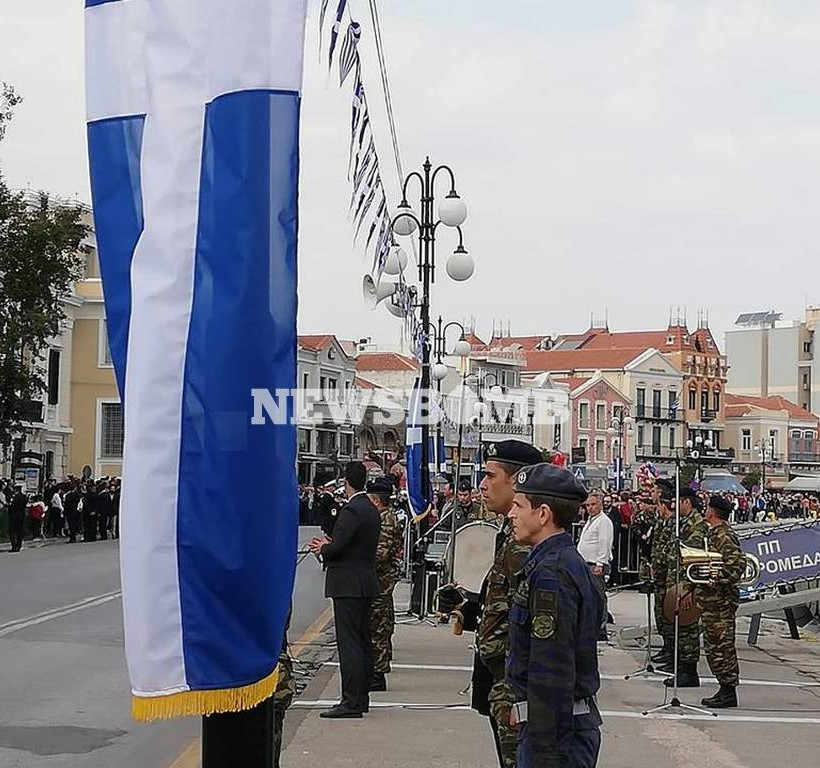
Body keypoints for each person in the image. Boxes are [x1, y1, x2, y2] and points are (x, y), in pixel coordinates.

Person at [446, 440, 543, 768]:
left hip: (517, 683)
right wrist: (468, 606)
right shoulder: (510, 532)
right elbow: (507, 603)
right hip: (501, 677)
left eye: (490, 476)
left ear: (516, 482)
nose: (482, 485)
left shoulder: (530, 543)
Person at [507, 463, 603, 768]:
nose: (512, 514)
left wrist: (546, 751)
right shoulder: (559, 562)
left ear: (544, 514)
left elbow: (553, 667)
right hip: (558, 727)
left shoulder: (553, 573)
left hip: (555, 733)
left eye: (519, 506)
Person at [309, 462, 380, 718]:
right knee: (362, 642)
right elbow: (353, 544)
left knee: (349, 643)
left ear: (346, 481)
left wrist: (323, 548)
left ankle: (350, 701)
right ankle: (360, 698)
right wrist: (332, 545)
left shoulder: (352, 510)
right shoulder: (370, 508)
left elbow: (339, 547)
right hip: (364, 580)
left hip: (348, 583)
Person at [695, 495, 745, 708]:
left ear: (712, 512)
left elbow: (735, 569)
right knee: (714, 646)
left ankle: (728, 691)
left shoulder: (724, 536)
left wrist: (714, 575)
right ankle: (724, 688)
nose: (705, 511)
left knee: (722, 646)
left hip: (721, 602)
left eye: (707, 508)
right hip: (711, 601)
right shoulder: (713, 534)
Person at [662, 486, 709, 688]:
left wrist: (689, 588)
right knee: (680, 627)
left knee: (688, 629)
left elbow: (696, 560)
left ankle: (689, 672)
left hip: (687, 584)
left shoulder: (697, 526)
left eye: (678, 503)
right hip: (677, 582)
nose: (675, 506)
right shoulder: (683, 522)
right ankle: (682, 668)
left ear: (687, 502)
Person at [367, 476, 403, 692]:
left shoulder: (385, 520)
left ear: (377, 501)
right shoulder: (384, 517)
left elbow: (380, 554)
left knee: (378, 628)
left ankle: (378, 674)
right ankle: (378, 669)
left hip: (381, 581)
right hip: (382, 580)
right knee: (381, 625)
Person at [576, 489, 614, 641]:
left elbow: (605, 543)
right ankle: (591, 625)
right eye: (587, 505)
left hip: (595, 564)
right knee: (588, 596)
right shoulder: (591, 520)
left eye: (593, 504)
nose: (590, 508)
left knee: (598, 596)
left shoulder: (604, 521)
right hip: (586, 563)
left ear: (600, 505)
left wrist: (600, 563)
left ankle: (601, 627)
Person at [8, 486, 28, 553]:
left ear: (16, 490)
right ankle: (19, 546)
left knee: (12, 532)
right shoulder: (24, 497)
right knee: (20, 532)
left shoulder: (15, 497)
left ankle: (14, 546)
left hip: (14, 516)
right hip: (21, 516)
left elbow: (12, 507)